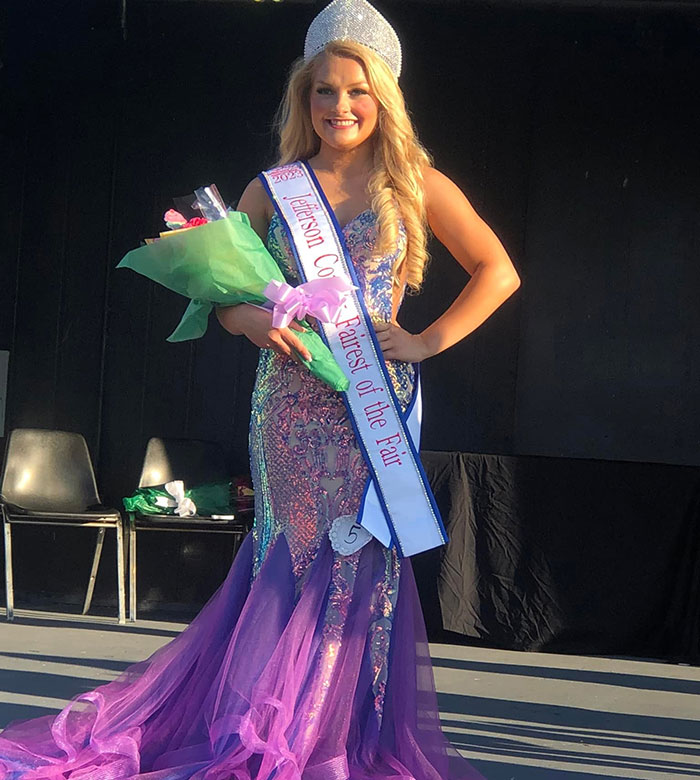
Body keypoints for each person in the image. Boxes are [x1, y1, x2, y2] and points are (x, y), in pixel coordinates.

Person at [0, 1, 519, 778]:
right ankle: (267, 732)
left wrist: (421, 340)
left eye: (356, 91)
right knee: (291, 555)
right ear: (302, 96)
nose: (339, 107)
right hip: (287, 406)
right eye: (323, 90)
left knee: (362, 564)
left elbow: (498, 271)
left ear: (383, 97)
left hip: (370, 404)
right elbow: (216, 294)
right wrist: (248, 317)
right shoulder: (274, 188)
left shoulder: (413, 183)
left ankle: (332, 735)